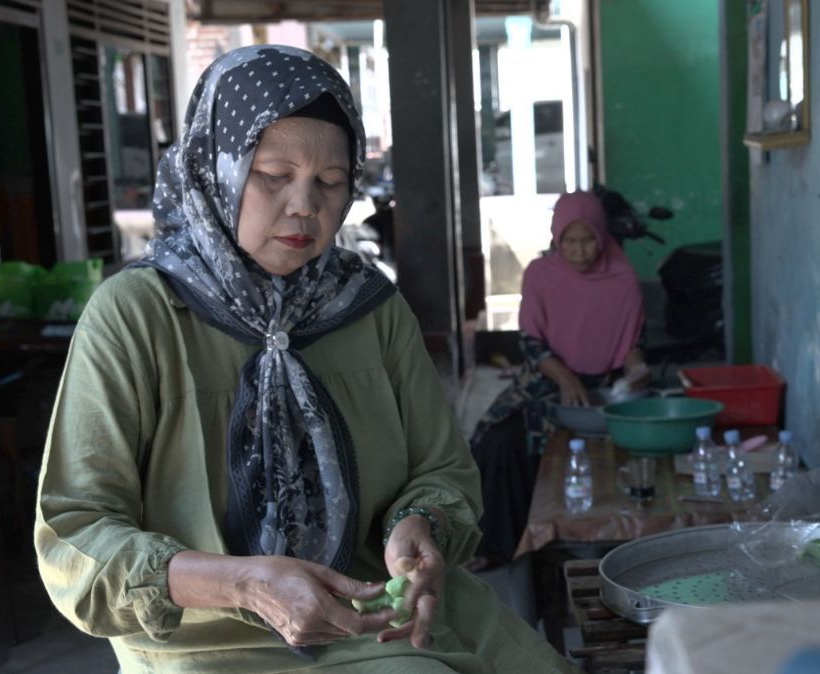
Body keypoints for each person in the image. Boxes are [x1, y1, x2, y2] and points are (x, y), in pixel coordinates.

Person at [34, 45, 574, 674]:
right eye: (272, 173)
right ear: (217, 168)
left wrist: (417, 528)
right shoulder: (136, 315)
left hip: (379, 621)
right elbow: (76, 536)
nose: (304, 204)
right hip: (206, 646)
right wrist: (240, 583)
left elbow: (443, 473)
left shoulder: (369, 307)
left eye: (330, 181)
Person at [467, 191, 647, 568]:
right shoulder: (540, 275)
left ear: (601, 237)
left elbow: (631, 345)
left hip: (600, 390)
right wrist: (566, 379)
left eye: (587, 241)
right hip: (546, 380)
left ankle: (591, 544)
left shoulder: (623, 278)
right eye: (570, 241)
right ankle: (499, 546)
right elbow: (530, 343)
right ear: (556, 239)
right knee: (497, 442)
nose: (579, 251)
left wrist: (636, 373)